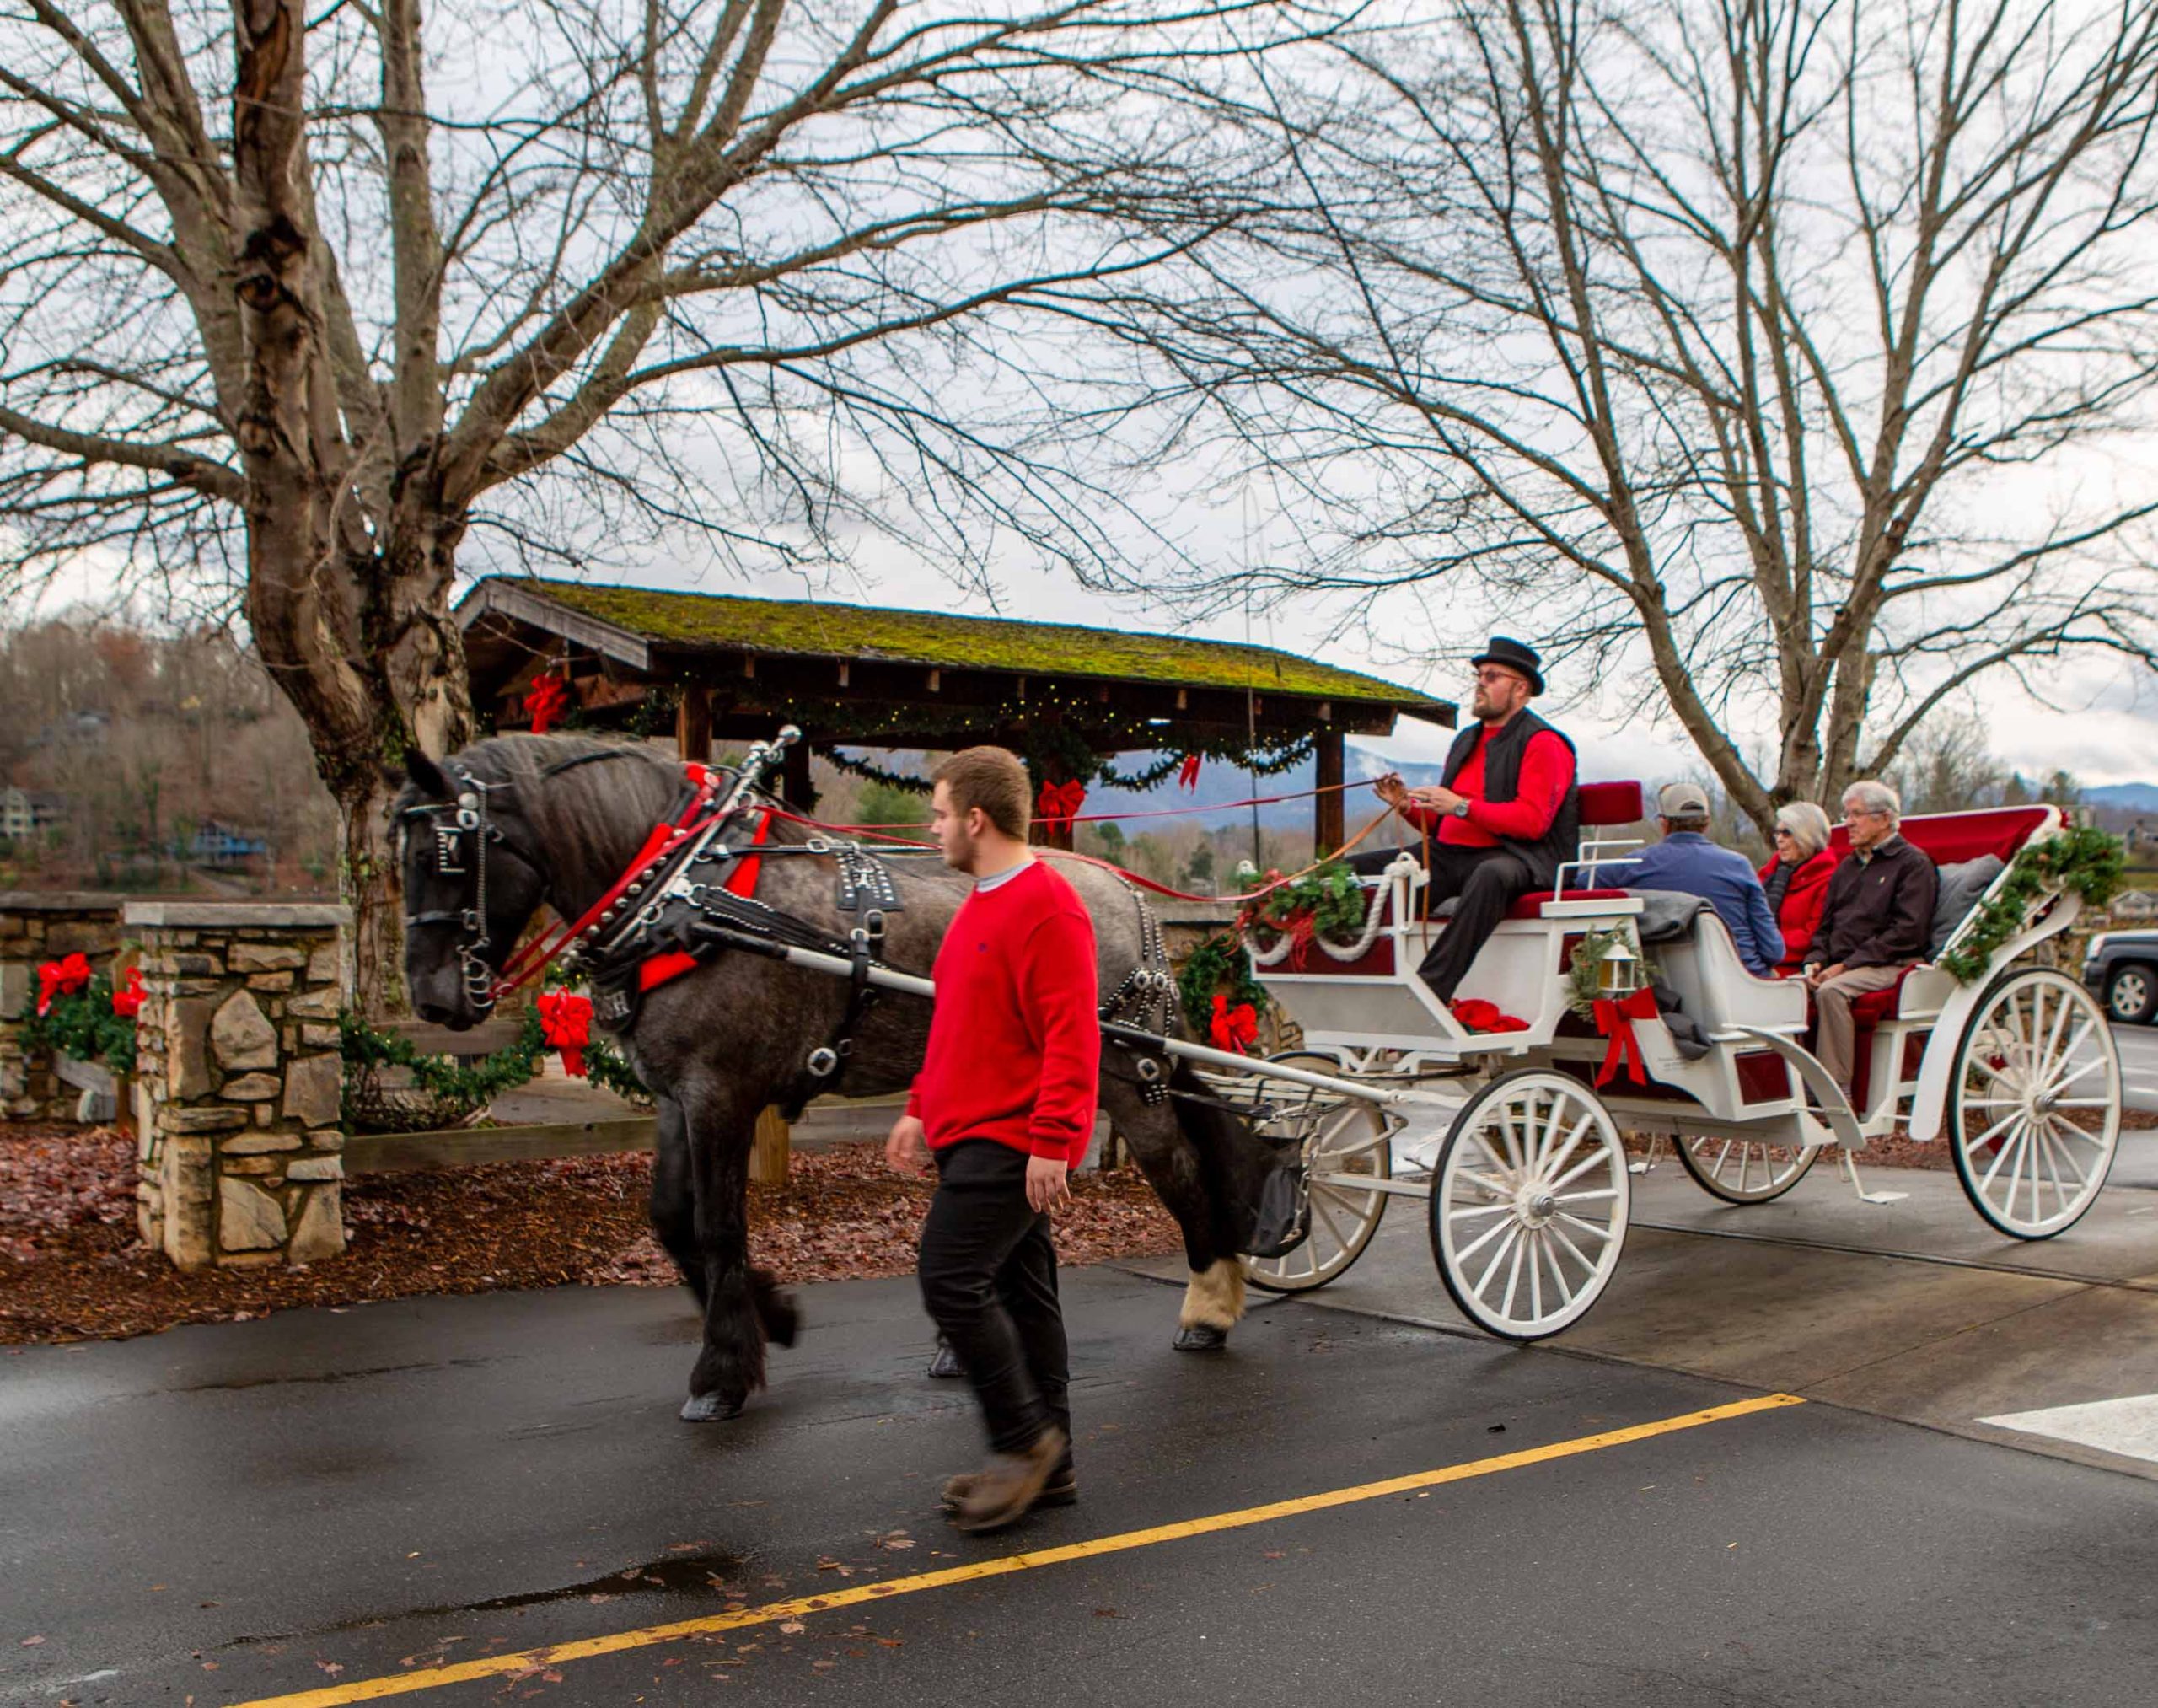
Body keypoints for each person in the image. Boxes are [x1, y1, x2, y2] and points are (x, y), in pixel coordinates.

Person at [885, 745, 1098, 1534]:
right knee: (1022, 1292)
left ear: (976, 818)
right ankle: (1056, 1461)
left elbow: (1073, 1035)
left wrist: (1053, 1140)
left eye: (939, 812)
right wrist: (919, 1103)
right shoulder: (980, 900)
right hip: (969, 1127)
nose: (932, 827)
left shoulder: (1049, 905)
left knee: (950, 1280)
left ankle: (1022, 1443)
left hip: (1012, 1138)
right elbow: (957, 1024)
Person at [1348, 636, 1579, 1005]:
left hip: (1519, 858)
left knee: (1490, 876)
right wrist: (1406, 806)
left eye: (1491, 676)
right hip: (1449, 855)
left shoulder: (1545, 743)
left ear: (1521, 689)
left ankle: (1427, 994)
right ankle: (1350, 982)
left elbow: (1533, 822)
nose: (1480, 683)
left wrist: (1461, 806)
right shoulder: (1465, 740)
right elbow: (1443, 827)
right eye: (1478, 675)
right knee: (1353, 872)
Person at [1804, 781, 1939, 1104]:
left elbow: (1908, 931)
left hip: (1892, 963)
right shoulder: (1847, 867)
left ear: (1884, 819)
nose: (1848, 822)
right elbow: (1825, 926)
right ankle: (1790, 1085)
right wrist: (1816, 960)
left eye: (1856, 814)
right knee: (1789, 988)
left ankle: (1836, 1092)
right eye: (1847, 814)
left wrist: (1845, 966)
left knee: (1832, 992)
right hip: (1844, 964)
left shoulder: (1913, 864)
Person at [1587, 782, 1784, 977]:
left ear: (1664, 823)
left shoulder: (1633, 865)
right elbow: (1773, 950)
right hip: (1742, 980)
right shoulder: (1739, 865)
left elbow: (1578, 884)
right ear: (1706, 823)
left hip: (1664, 984)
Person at [1758, 801, 1837, 975]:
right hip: (1759, 957)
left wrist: (1762, 943)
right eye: (1777, 832)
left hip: (1793, 967)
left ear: (1807, 836)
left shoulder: (1828, 881)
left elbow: (1812, 936)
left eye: (1787, 833)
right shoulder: (1771, 873)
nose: (1779, 839)